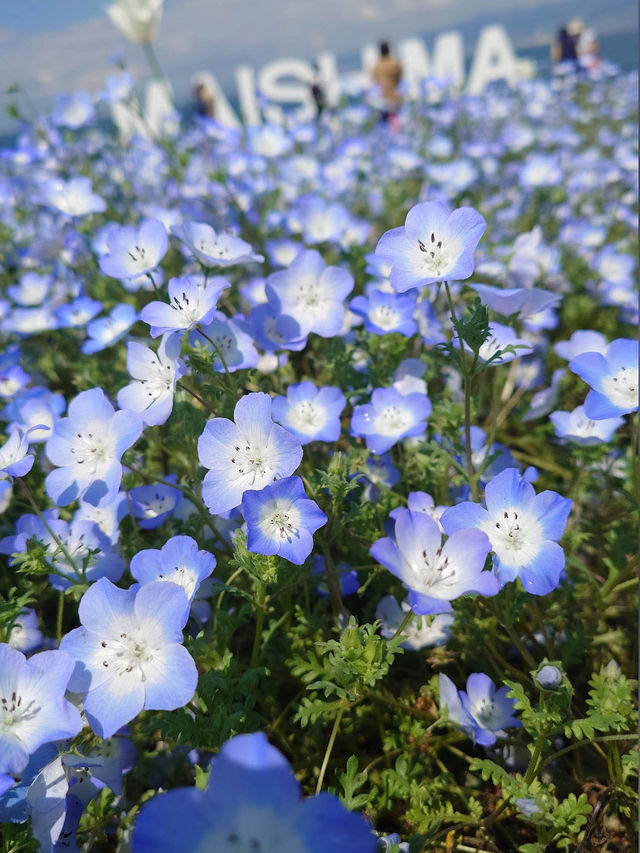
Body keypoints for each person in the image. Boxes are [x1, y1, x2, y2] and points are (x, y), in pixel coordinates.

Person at [372, 41, 403, 124]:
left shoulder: (377, 66)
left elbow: (375, 82)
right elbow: (399, 79)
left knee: (385, 125)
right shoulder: (394, 64)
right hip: (395, 98)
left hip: (383, 100)